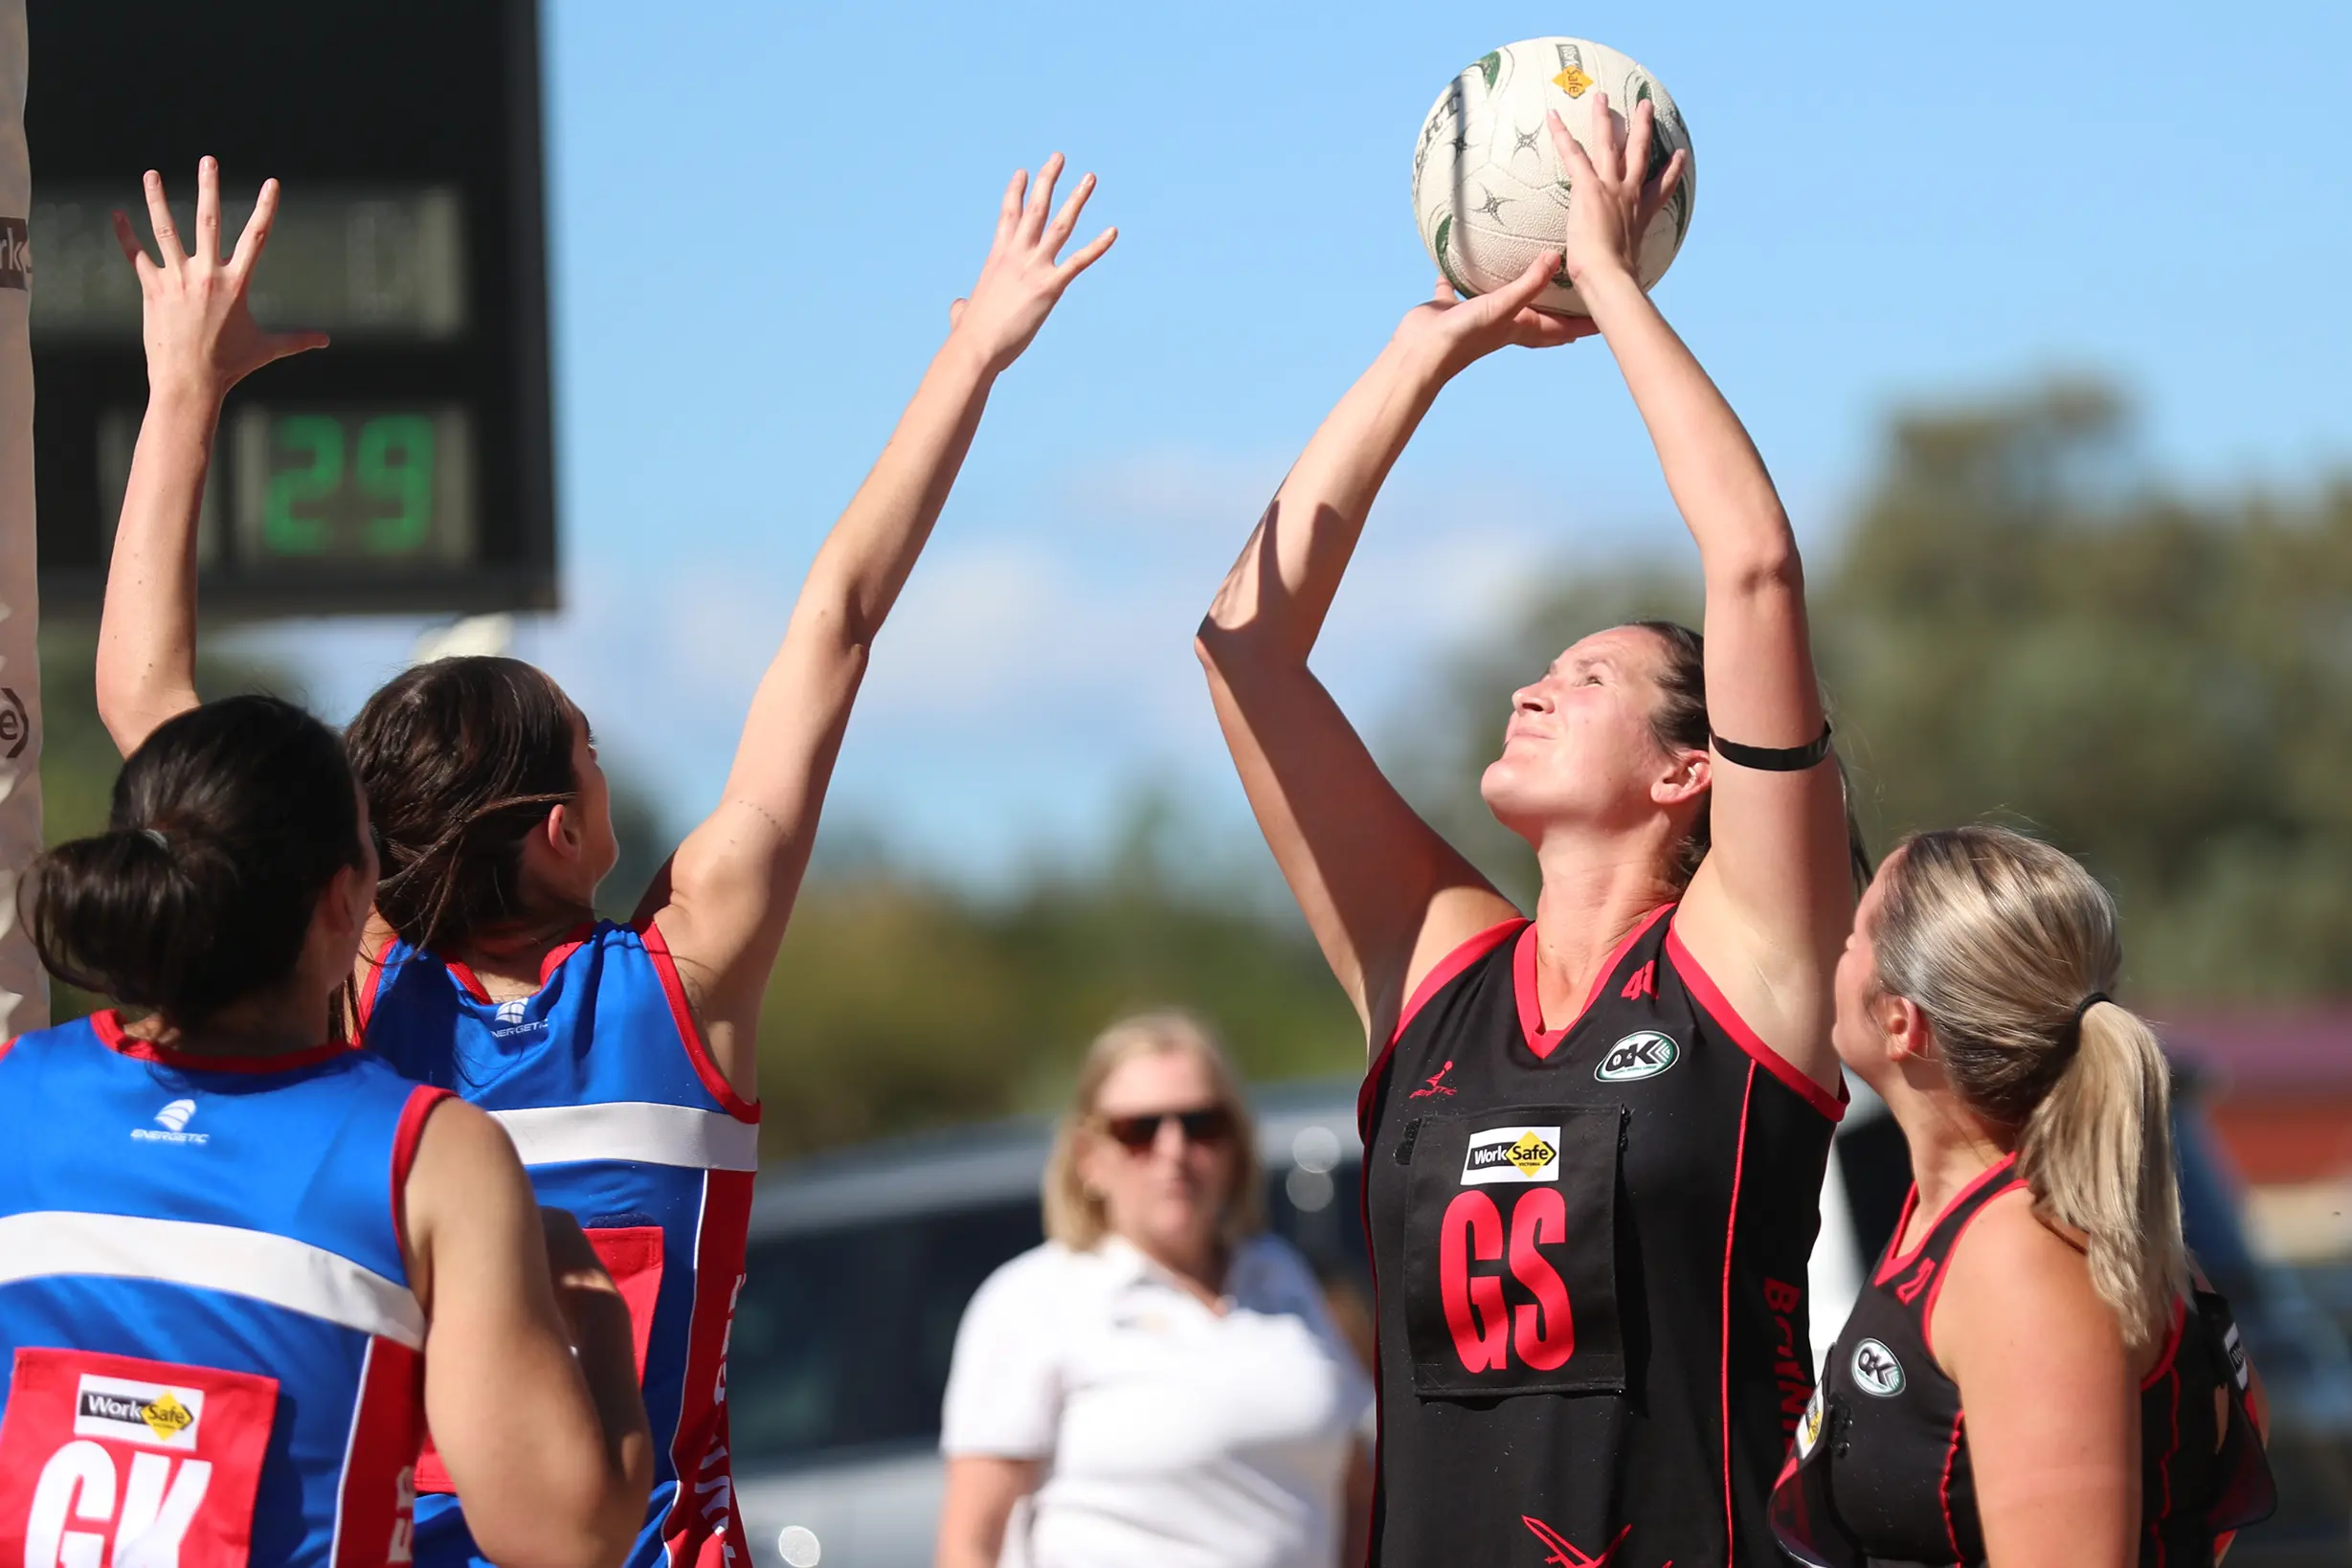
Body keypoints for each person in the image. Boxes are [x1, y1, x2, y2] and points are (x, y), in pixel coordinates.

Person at [92, 153, 1115, 1568]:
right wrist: (974, 350)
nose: (608, 754)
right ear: (562, 831)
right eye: (583, 739)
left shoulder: (361, 992)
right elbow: (839, 616)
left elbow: (148, 698)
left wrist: (184, 391)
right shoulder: (685, 978)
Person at [1197, 95, 1864, 1567]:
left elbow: (1750, 563)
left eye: (1588, 677)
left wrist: (1612, 282)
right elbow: (1245, 647)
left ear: (1693, 769)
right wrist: (1425, 349)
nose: (1532, 687)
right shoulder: (1442, 972)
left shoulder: (1748, 962)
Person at [0, 695, 651, 1568]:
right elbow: (568, 1539)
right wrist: (596, 1310)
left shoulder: (16, 1090)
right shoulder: (425, 1158)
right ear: (343, 900)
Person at [1772, 826, 2274, 1568]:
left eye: (1854, 935)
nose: (1834, 952)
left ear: (1898, 1021)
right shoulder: (1962, 1223)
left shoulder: (2027, 1262)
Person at [936, 1012, 1375, 1568]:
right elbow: (971, 1543)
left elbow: (1356, 1483)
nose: (1174, 1149)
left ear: (1234, 1146)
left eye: (1201, 1124)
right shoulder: (1034, 1300)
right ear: (1088, 1158)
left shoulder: (1283, 1276)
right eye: (1139, 1130)